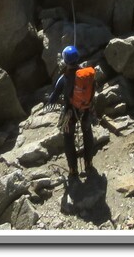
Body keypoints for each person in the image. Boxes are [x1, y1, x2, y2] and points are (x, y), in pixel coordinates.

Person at [45, 45, 96, 179]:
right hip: (86, 110)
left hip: (70, 112)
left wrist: (48, 103)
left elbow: (53, 98)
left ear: (65, 61)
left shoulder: (64, 78)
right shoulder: (87, 75)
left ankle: (73, 169)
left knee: (68, 138)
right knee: (87, 133)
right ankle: (88, 163)